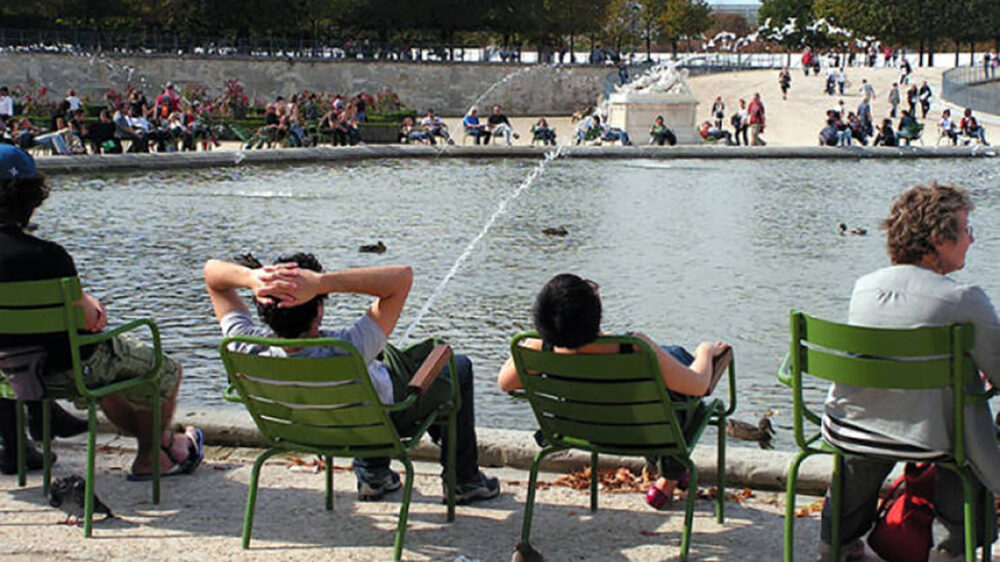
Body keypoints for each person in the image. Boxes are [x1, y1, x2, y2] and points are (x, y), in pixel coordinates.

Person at [203, 254, 500, 504]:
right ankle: (464, 480)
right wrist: (322, 282)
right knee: (456, 368)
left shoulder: (243, 346)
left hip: (301, 431)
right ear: (319, 310)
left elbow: (213, 276)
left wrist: (253, 277)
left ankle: (374, 475)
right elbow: (402, 278)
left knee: (377, 371)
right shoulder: (349, 348)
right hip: (378, 427)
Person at [818, 182, 1000, 561]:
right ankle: (951, 550)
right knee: (962, 441)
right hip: (929, 439)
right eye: (966, 230)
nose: (972, 239)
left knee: (882, 427)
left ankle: (836, 544)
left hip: (851, 429)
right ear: (938, 239)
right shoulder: (965, 298)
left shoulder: (863, 288)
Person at [0, 146, 202, 480]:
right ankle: (151, 457)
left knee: (114, 374)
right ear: (32, 197)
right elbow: (88, 322)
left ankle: (167, 443)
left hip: (7, 372)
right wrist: (90, 304)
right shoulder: (50, 257)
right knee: (165, 370)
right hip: (67, 370)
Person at [497, 274, 730, 511]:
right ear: (595, 313)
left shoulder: (539, 349)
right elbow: (698, 385)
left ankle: (671, 476)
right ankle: (671, 473)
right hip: (647, 434)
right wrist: (705, 352)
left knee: (670, 360)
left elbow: (505, 383)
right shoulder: (634, 347)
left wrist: (540, 337)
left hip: (582, 431)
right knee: (689, 396)